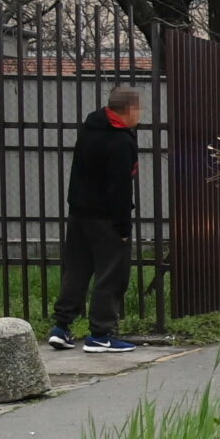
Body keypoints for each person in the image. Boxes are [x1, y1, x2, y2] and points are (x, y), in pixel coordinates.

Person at [49, 86, 144, 352]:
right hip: (106, 219)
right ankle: (101, 333)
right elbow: (121, 188)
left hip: (79, 214)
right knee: (111, 274)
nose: (141, 115)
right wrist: (123, 226)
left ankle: (62, 326)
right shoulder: (121, 142)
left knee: (76, 271)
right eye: (139, 109)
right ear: (129, 109)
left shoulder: (89, 129)